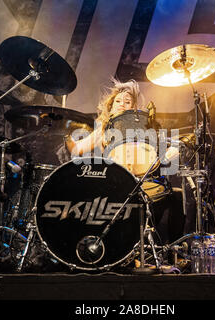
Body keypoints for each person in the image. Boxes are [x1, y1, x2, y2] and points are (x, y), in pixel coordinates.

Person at [64, 78, 185, 245]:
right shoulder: (103, 128)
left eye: (127, 102)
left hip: (144, 183)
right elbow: (77, 149)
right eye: (118, 101)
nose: (122, 104)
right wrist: (63, 126)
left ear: (133, 107)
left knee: (178, 195)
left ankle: (173, 250)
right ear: (111, 106)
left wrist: (169, 153)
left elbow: (157, 157)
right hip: (115, 183)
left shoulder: (145, 126)